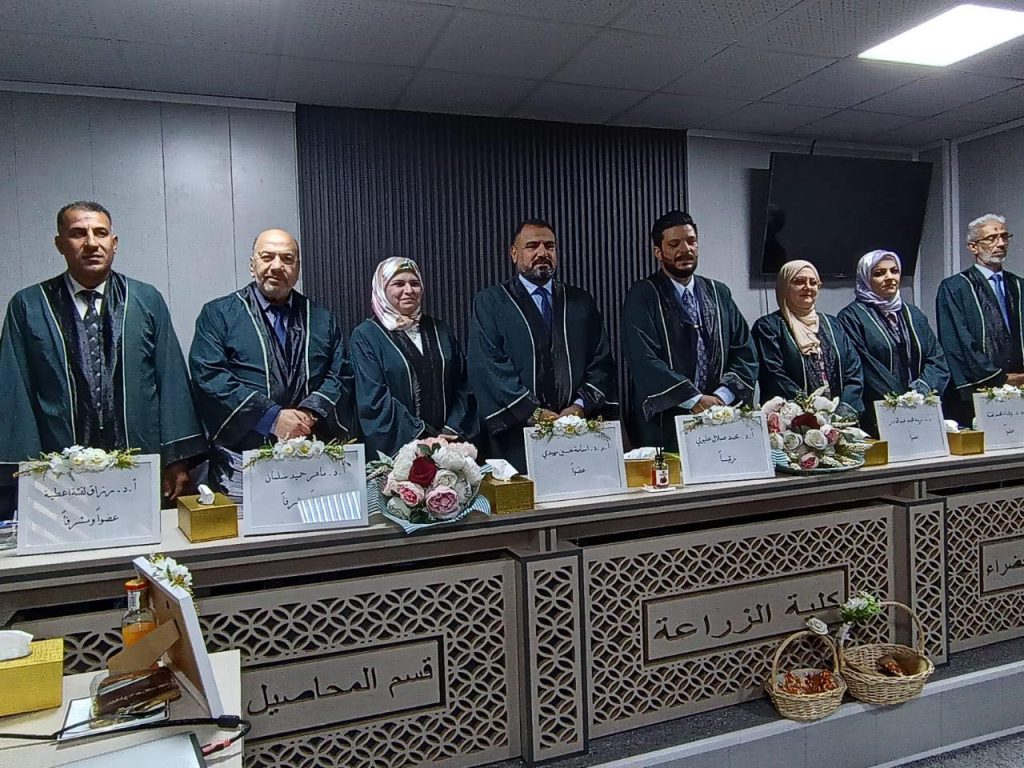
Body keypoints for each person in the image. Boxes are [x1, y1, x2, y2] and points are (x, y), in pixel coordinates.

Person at [0, 201, 205, 507]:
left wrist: (176, 458)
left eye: (100, 233)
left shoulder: (145, 299)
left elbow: (171, 378)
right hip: (59, 468)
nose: (91, 243)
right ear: (60, 244)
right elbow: (15, 389)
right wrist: (25, 469)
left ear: (114, 242)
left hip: (141, 458)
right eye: (78, 234)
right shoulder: (29, 305)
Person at [189, 228, 355, 499]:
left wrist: (308, 415)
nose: (277, 266)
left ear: (298, 268)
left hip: (311, 461)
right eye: (267, 257)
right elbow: (210, 376)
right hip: (242, 465)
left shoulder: (322, 319)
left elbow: (340, 374)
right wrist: (272, 418)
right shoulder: (218, 315)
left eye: (287, 259)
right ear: (252, 264)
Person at [468, 219, 617, 469]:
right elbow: (489, 367)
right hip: (515, 435)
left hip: (577, 432)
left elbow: (601, 360)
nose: (542, 253)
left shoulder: (580, 301)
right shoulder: (490, 303)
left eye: (549, 246)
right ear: (514, 253)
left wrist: (579, 406)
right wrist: (534, 413)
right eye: (532, 246)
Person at [621, 210, 758, 449]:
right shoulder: (643, 295)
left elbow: (745, 352)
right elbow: (643, 359)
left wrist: (721, 398)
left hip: (721, 418)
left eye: (691, 241)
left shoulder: (719, 293)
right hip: (666, 424)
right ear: (658, 252)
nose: (685, 250)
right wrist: (694, 399)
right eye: (674, 244)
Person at [350, 257, 477, 457]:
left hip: (450, 447)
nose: (409, 290)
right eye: (399, 284)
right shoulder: (366, 336)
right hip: (401, 452)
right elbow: (373, 400)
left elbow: (463, 384)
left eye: (415, 283)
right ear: (382, 289)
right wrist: (424, 437)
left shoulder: (440, 330)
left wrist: (451, 432)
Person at [838, 250, 949, 435]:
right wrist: (900, 399)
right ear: (865, 278)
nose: (889, 277)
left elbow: (936, 359)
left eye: (894, 271)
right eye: (879, 273)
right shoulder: (851, 317)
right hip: (878, 414)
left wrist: (919, 392)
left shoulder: (914, 314)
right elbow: (864, 367)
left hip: (922, 409)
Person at [936, 213, 1024, 425]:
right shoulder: (955, 287)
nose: (1001, 243)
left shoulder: (1019, 285)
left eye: (1004, 236)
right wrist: (998, 378)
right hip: (978, 388)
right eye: (992, 238)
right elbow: (958, 342)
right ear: (973, 247)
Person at [752, 260, 864, 416]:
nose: (808, 287)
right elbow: (774, 376)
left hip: (840, 419)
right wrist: (813, 410)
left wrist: (843, 409)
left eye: (813, 282)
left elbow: (854, 370)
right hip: (793, 421)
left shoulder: (833, 324)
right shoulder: (768, 327)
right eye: (799, 282)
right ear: (784, 287)